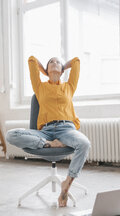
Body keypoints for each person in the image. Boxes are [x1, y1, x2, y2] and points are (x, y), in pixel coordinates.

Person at [6, 55, 91, 207]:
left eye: (57, 62)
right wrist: (47, 72)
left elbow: (76, 61)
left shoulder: (69, 87)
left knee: (84, 143)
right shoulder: (40, 87)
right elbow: (31, 60)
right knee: (11, 134)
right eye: (51, 62)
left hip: (66, 130)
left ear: (62, 69)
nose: (54, 63)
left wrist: (61, 68)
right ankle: (49, 144)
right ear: (46, 68)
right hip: (45, 133)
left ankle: (67, 183)